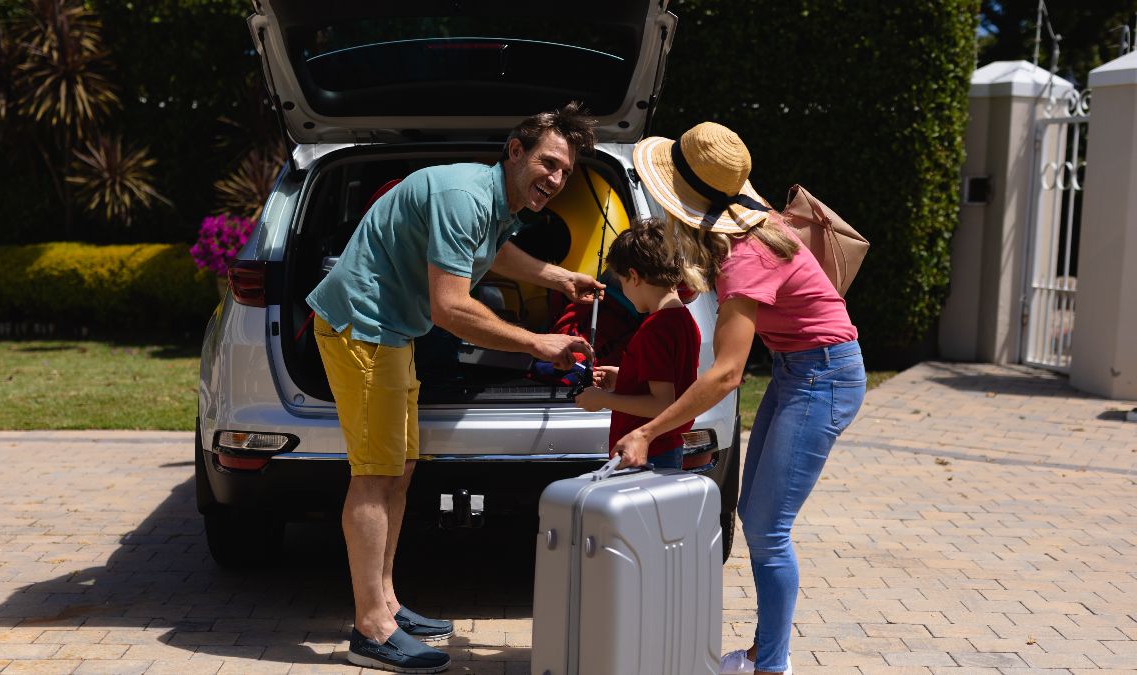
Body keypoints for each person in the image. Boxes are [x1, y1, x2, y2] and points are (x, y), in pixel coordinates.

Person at [307, 103, 602, 673]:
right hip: (363, 327)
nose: (556, 179)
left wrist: (558, 277)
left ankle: (387, 603)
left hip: (392, 332)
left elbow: (489, 251)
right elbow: (450, 308)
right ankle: (370, 629)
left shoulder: (494, 202)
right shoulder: (463, 197)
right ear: (515, 151)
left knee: (402, 467)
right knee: (374, 474)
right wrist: (538, 344)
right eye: (548, 163)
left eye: (565, 171)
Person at [616, 121, 867, 675]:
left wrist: (648, 429)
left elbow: (728, 375)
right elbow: (697, 293)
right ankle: (763, 653)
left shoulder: (746, 256)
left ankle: (771, 666)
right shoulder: (743, 237)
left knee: (768, 530)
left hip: (824, 377)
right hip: (801, 371)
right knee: (755, 517)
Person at [573, 220, 701, 470]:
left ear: (634, 276)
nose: (623, 291)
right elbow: (671, 381)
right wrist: (624, 377)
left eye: (621, 282)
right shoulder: (685, 320)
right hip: (667, 446)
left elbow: (663, 404)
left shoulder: (655, 330)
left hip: (647, 452)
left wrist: (603, 400)